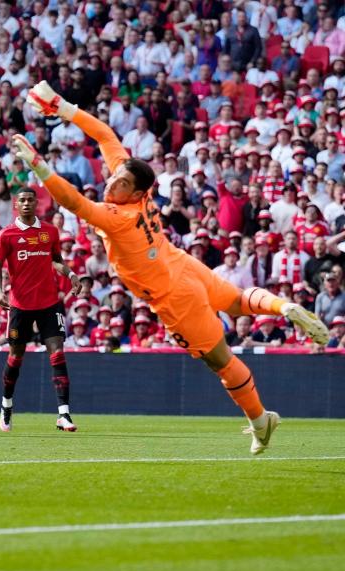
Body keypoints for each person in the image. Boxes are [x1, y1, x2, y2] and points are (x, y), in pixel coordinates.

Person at [19, 81, 329, 454]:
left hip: (173, 295)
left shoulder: (118, 216)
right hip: (180, 263)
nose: (112, 182)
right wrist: (62, 106)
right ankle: (283, 307)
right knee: (235, 301)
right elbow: (104, 133)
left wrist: (38, 165)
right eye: (115, 176)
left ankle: (261, 420)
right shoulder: (138, 185)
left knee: (220, 360)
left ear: (136, 194)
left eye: (121, 183)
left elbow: (74, 202)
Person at [0, 188, 81, 432]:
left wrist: (71, 274)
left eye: (31, 199)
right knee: (16, 356)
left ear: (37, 203)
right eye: (22, 200)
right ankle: (6, 405)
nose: (27, 203)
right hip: (20, 305)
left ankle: (64, 414)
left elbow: (56, 260)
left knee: (57, 351)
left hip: (49, 302)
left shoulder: (50, 231)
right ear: (16, 205)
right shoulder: (6, 234)